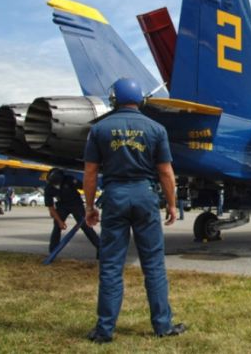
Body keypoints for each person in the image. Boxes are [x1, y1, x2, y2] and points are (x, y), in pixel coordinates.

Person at [83, 77, 186, 343]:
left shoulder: (100, 129)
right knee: (153, 265)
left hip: (115, 197)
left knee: (111, 266)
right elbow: (165, 171)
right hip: (145, 196)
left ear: (115, 99)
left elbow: (91, 171)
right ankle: (162, 326)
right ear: (139, 99)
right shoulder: (156, 129)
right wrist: (172, 204)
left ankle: (104, 330)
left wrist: (90, 206)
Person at [45, 168, 100, 255]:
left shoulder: (69, 180)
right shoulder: (49, 188)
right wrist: (59, 221)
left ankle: (100, 248)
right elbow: (51, 208)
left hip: (76, 204)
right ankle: (53, 252)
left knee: (85, 226)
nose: (56, 186)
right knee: (56, 227)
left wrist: (90, 205)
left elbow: (85, 187)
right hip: (62, 206)